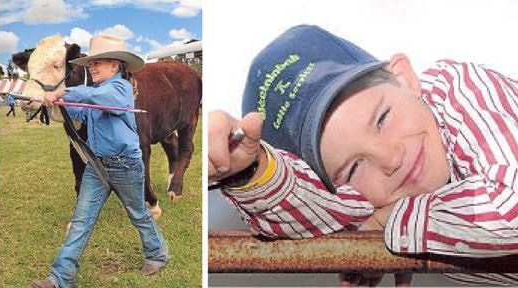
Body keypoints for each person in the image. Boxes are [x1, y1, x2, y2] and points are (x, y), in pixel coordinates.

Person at [208, 25, 518, 285]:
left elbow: (511, 206)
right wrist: (251, 171)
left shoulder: (459, 89)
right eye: (354, 167)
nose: (390, 158)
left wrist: (387, 222)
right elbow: (315, 211)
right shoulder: (374, 197)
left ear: (405, 78)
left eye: (382, 119)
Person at [31, 34, 169, 288]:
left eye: (98, 63)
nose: (91, 68)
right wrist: (57, 102)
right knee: (81, 221)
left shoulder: (120, 89)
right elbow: (83, 111)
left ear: (115, 66)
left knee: (138, 213)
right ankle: (61, 276)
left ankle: (158, 253)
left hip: (125, 165)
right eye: (90, 64)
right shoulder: (95, 92)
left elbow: (101, 100)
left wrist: (64, 91)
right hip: (96, 166)